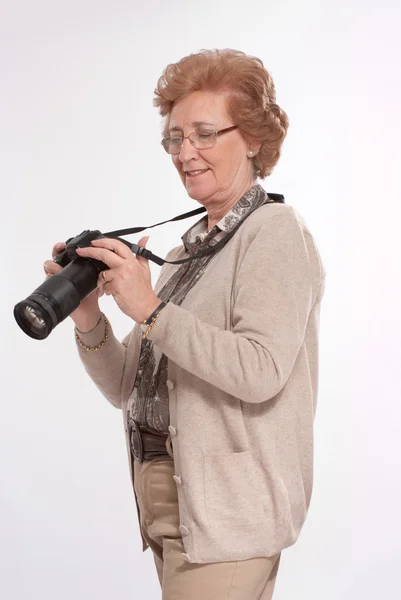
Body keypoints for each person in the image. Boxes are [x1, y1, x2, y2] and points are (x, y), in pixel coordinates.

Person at [44, 49, 326, 599]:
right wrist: (89, 316)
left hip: (230, 511)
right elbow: (126, 385)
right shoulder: (187, 252)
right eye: (175, 138)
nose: (185, 152)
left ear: (252, 138)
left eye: (203, 134)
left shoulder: (275, 232)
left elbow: (260, 370)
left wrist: (149, 306)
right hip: (170, 499)